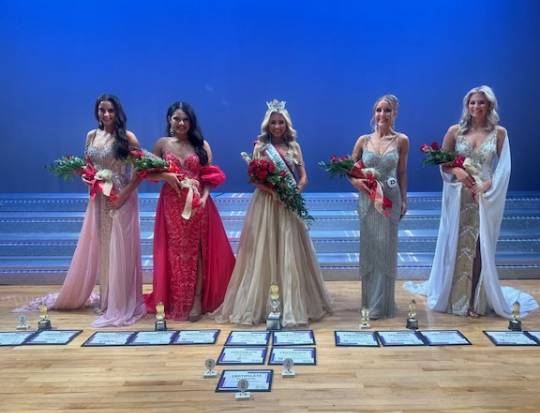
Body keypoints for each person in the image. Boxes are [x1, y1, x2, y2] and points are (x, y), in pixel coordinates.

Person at [404, 85, 538, 318]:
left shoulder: (499, 133)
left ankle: (474, 302)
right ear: (467, 106)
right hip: (458, 196)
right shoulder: (455, 131)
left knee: (478, 247)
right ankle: (456, 299)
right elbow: (443, 162)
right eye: (472, 103)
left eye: (481, 103)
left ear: (490, 106)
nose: (476, 106)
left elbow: (503, 168)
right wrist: (457, 172)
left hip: (483, 197)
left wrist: (487, 185)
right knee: (456, 244)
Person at [16, 94, 146, 327]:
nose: (106, 115)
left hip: (121, 198)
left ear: (118, 113)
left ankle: (121, 300)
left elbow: (140, 172)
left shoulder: (128, 137)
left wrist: (123, 195)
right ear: (96, 112)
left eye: (110, 111)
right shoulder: (91, 135)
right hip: (99, 199)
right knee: (104, 248)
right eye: (101, 110)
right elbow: (89, 167)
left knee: (120, 249)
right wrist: (85, 176)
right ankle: (107, 299)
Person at [215, 99, 332, 327]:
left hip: (287, 202)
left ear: (287, 125)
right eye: (273, 123)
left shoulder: (295, 147)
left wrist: (297, 189)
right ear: (267, 125)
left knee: (290, 248)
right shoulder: (260, 147)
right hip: (267, 203)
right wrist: (272, 191)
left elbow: (304, 176)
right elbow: (254, 179)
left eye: (281, 123)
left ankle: (292, 301)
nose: (277, 127)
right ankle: (263, 304)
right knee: (264, 250)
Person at [144, 101, 235, 321]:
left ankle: (196, 299)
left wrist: (203, 199)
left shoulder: (201, 145)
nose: (181, 123)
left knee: (199, 251)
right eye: (177, 118)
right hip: (171, 204)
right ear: (169, 120)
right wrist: (166, 176)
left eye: (185, 119)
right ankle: (176, 299)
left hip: (198, 205)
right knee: (176, 252)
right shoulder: (162, 144)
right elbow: (148, 173)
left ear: (191, 121)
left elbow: (208, 178)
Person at [349, 94, 408, 319]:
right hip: (367, 200)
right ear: (373, 113)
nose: (382, 115)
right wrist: (357, 182)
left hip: (389, 200)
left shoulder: (402, 140)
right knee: (371, 249)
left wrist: (404, 198)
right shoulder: (363, 141)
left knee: (385, 249)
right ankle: (369, 301)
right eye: (378, 110)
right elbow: (348, 169)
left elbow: (402, 172)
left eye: (387, 110)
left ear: (395, 114)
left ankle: (382, 304)